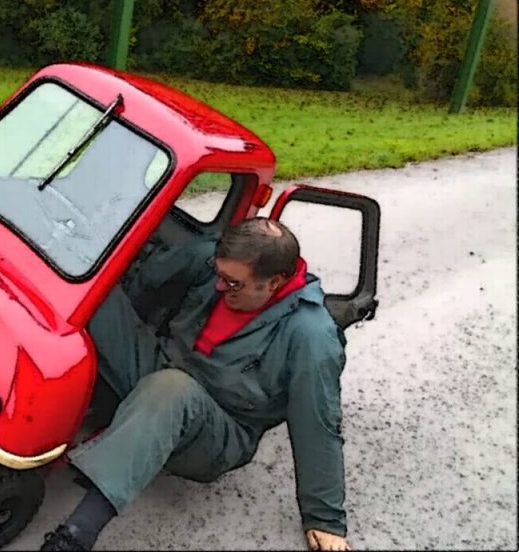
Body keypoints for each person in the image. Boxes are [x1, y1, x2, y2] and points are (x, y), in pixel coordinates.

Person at [40, 217, 352, 552]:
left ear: (274, 282)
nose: (220, 288)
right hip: (161, 367)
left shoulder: (311, 335)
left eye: (233, 284)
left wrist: (324, 518)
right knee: (93, 290)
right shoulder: (211, 262)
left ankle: (75, 536)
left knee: (172, 389)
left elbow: (318, 423)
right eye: (219, 276)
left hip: (218, 429)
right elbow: (143, 280)